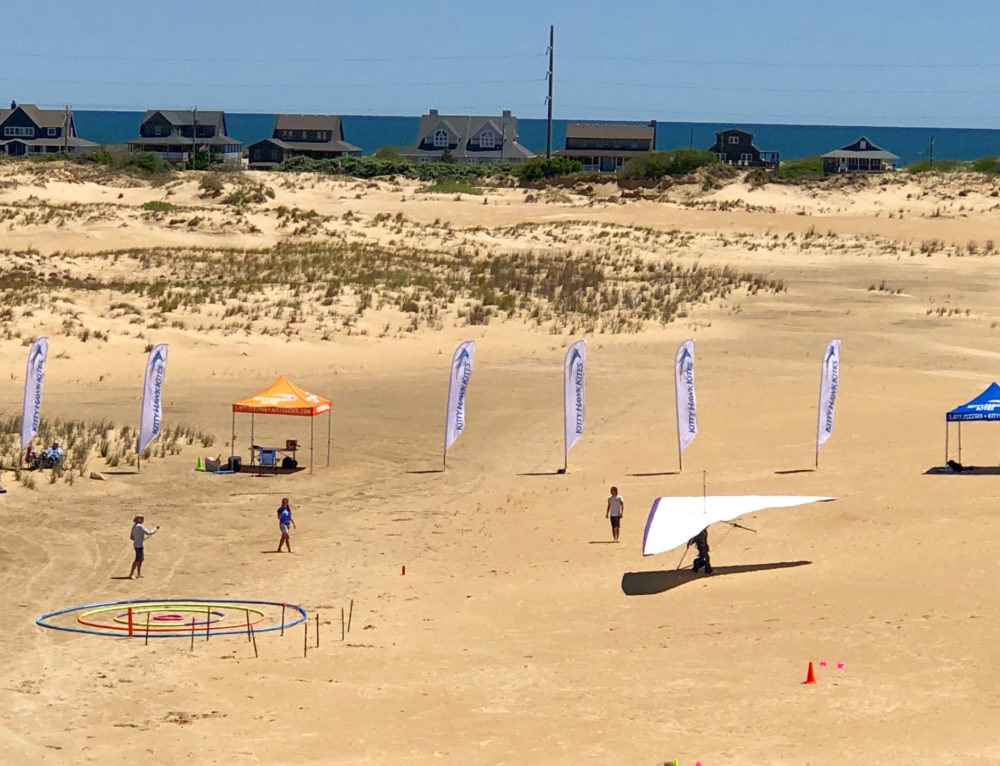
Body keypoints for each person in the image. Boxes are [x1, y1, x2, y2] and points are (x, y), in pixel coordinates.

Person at [129, 515, 159, 579]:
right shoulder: (140, 526)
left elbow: (131, 537)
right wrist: (155, 528)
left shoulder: (134, 526)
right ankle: (131, 574)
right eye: (142, 519)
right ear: (138, 519)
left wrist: (139, 538)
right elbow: (149, 533)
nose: (143, 520)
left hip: (136, 544)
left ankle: (138, 574)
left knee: (140, 559)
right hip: (139, 545)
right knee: (137, 560)